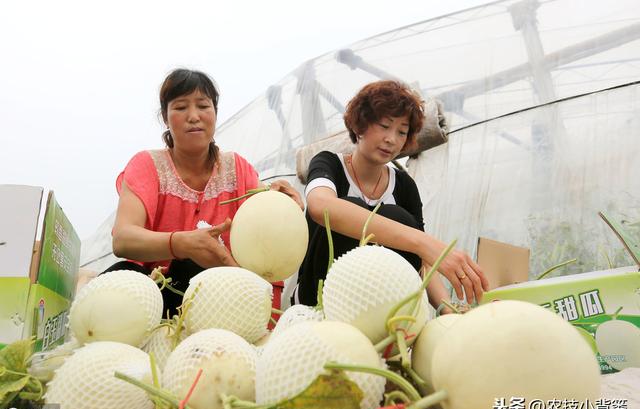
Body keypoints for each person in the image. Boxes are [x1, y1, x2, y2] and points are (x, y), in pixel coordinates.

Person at [104, 68, 302, 315]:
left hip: (223, 298)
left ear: (215, 114)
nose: (193, 116)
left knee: (198, 272)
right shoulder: (147, 165)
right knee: (121, 276)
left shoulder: (237, 169)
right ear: (165, 118)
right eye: (180, 107)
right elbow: (123, 239)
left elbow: (265, 239)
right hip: (154, 297)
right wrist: (183, 244)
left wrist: (287, 208)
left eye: (203, 106)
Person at [295, 80, 489, 311]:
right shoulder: (329, 163)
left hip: (378, 304)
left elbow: (422, 262)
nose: (392, 139)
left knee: (401, 221)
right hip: (319, 297)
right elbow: (320, 206)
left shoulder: (403, 185)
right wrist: (425, 243)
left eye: (402, 132)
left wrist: (447, 310)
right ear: (359, 125)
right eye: (384, 125)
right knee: (385, 214)